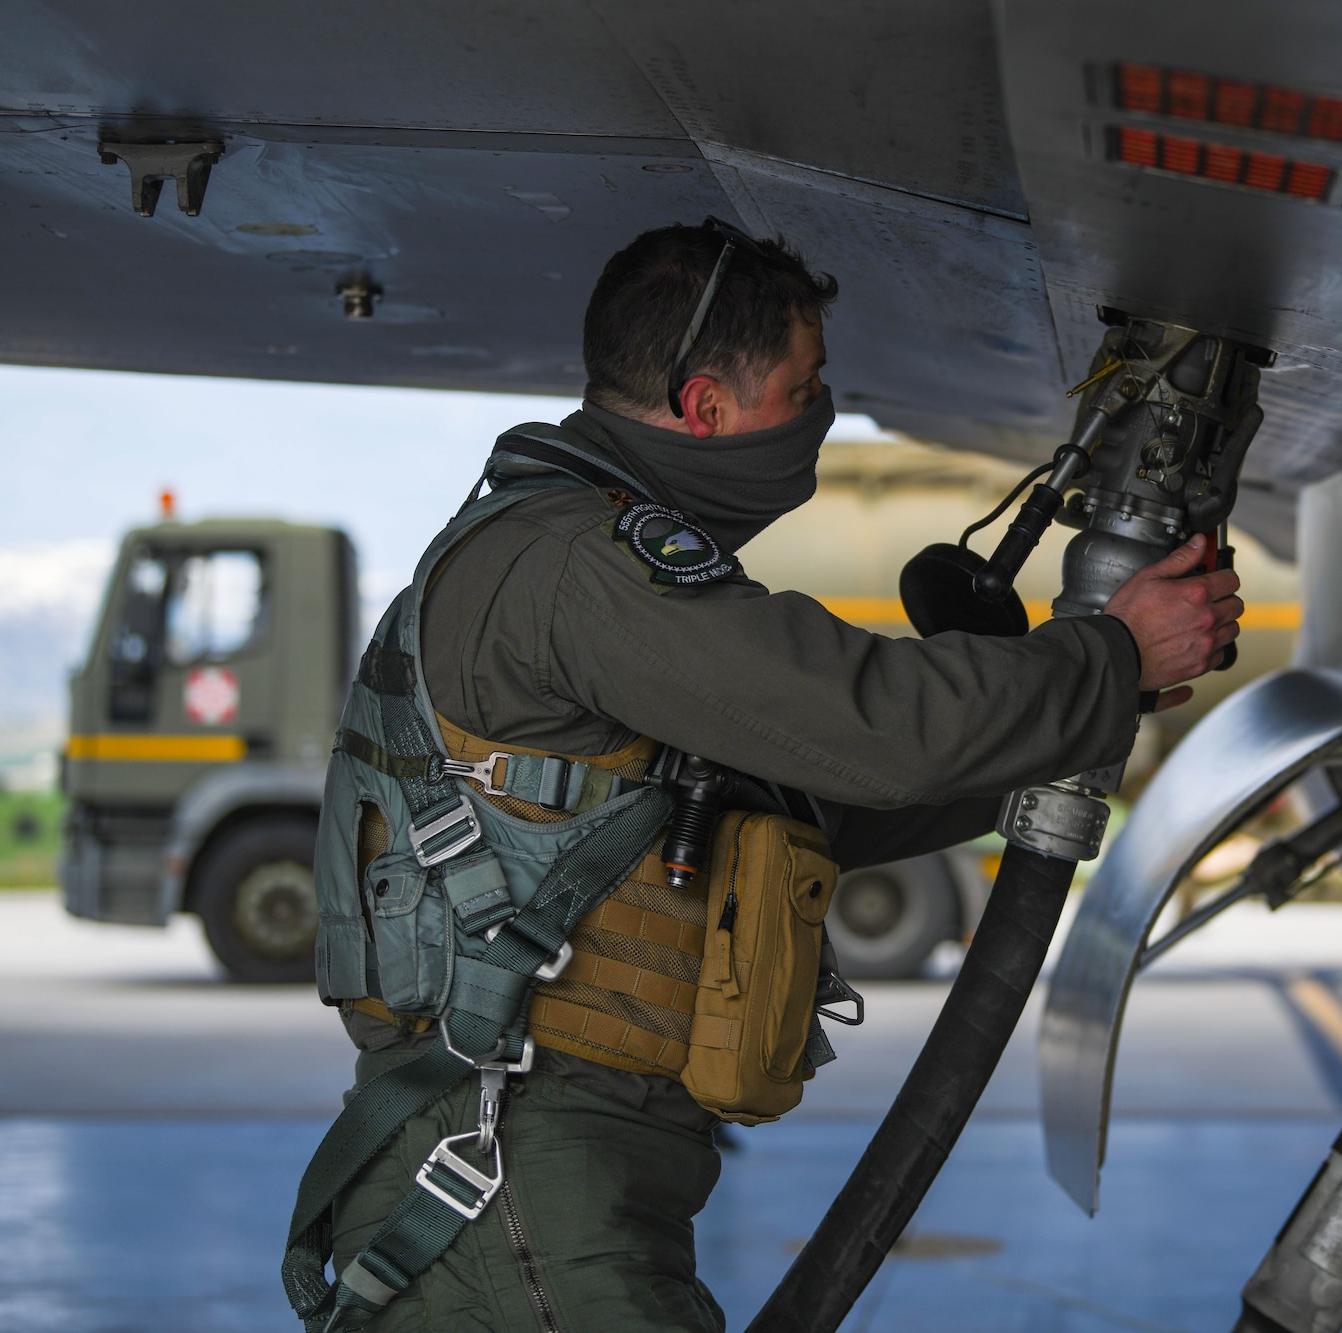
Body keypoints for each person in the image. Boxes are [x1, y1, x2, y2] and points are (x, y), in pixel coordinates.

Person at [317, 219, 1242, 1331]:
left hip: (539, 1168)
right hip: (517, 1181)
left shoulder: (558, 546)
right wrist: (1104, 656)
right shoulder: (584, 563)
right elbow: (865, 725)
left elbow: (799, 799)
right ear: (706, 408)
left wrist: (1079, 709)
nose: (820, 414)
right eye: (803, 389)